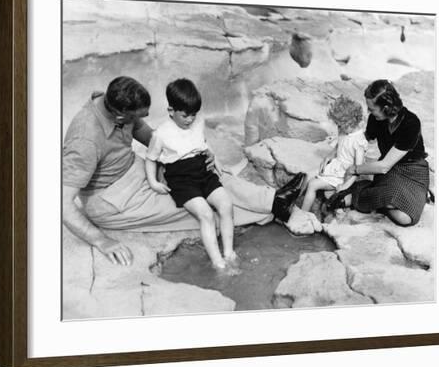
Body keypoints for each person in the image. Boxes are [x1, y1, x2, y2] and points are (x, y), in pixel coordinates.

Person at [62, 76, 303, 266]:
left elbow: (145, 134)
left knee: (210, 177)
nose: (143, 120)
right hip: (114, 199)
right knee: (199, 210)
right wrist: (101, 241)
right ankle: (270, 212)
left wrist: (184, 151)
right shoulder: (85, 140)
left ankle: (274, 201)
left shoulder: (114, 100)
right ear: (119, 115)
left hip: (136, 168)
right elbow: (61, 202)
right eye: (137, 117)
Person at [145, 79, 237, 271]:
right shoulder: (161, 133)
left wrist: (216, 159)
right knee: (206, 214)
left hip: (202, 170)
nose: (190, 120)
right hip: (180, 178)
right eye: (185, 116)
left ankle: (229, 252)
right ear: (171, 111)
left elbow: (203, 142)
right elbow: (151, 158)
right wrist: (153, 182)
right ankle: (217, 262)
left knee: (226, 204)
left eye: (193, 115)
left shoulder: (197, 122)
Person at [328, 79, 430, 226]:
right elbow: (361, 138)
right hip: (391, 173)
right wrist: (333, 151)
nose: (369, 112)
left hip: (412, 169)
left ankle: (358, 198)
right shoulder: (376, 119)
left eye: (372, 108)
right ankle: (373, 198)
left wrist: (355, 169)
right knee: (392, 197)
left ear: (387, 107)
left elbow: (383, 166)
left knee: (406, 219)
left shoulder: (411, 123)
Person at [300, 95, 368, 212]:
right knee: (307, 175)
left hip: (343, 175)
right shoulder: (344, 131)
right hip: (335, 167)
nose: (338, 128)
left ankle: (302, 213)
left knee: (312, 184)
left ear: (350, 122)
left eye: (340, 125)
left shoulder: (358, 141)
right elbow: (339, 146)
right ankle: (295, 202)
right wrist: (329, 156)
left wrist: (345, 186)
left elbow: (358, 169)